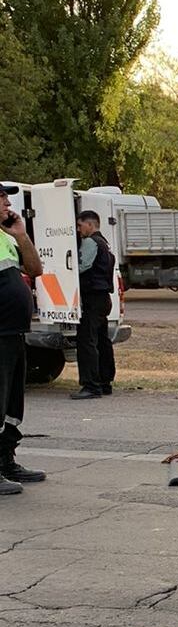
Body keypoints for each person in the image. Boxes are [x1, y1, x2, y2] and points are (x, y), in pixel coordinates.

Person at [0, 183, 46, 495]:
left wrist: (21, 236)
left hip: (14, 332)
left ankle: (6, 460)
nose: (6, 201)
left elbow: (35, 269)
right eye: (0, 196)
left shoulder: (7, 237)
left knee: (12, 404)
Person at [71, 210, 116, 400]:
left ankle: (91, 385)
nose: (79, 230)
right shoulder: (104, 243)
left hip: (92, 298)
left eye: (80, 226)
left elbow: (80, 266)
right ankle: (104, 381)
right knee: (102, 340)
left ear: (90, 225)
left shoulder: (90, 243)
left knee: (86, 340)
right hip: (103, 297)